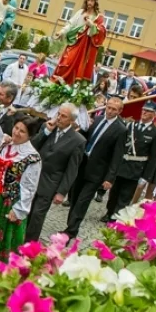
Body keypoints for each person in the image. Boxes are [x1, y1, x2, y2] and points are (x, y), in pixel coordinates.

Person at [0, 117, 42, 260]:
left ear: (30, 136)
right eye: (16, 128)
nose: (16, 133)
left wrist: (19, 210)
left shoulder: (33, 157)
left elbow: (29, 187)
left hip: (7, 203)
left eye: (22, 131)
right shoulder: (4, 145)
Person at [63, 97, 126, 239]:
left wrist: (110, 178)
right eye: (108, 107)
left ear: (120, 111)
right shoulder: (97, 120)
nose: (109, 111)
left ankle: (71, 230)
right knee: (74, 198)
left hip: (97, 172)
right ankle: (70, 224)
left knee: (82, 201)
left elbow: (117, 155)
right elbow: (86, 137)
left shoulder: (120, 129)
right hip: (82, 165)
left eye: (114, 109)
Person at [26, 103, 86, 241]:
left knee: (37, 215)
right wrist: (46, 131)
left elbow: (72, 169)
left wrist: (62, 192)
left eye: (63, 116)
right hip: (33, 177)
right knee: (26, 211)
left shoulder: (78, 141)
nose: (59, 118)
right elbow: (32, 146)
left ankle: (29, 244)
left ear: (72, 120)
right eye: (58, 113)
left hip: (50, 183)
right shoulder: (48, 129)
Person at [102, 101, 156, 222]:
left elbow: (153, 158)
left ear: (154, 115)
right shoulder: (130, 126)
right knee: (113, 193)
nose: (144, 112)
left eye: (148, 111)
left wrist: (146, 177)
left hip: (136, 168)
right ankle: (109, 212)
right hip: (122, 164)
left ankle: (116, 217)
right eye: (143, 110)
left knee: (125, 195)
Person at [53, 0, 107, 84]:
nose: (89, 3)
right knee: (66, 62)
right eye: (88, 0)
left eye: (92, 1)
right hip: (74, 41)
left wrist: (92, 25)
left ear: (95, 2)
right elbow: (71, 24)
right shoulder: (80, 12)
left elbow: (102, 31)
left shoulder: (98, 17)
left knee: (77, 66)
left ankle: (70, 83)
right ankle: (59, 80)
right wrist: (61, 32)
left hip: (84, 46)